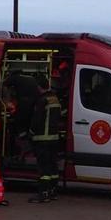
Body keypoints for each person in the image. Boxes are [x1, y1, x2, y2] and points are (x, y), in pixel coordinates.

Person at [29, 75, 64, 203]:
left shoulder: (42, 100)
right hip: (54, 138)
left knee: (44, 168)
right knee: (53, 166)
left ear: (38, 87)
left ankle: (43, 194)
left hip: (42, 138)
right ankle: (53, 192)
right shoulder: (54, 98)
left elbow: (37, 119)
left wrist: (31, 132)